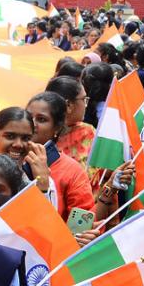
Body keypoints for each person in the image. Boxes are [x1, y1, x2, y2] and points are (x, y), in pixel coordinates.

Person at [27, 91, 94, 223]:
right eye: (28, 117)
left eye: (41, 119)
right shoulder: (8, 156)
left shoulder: (72, 172)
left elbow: (82, 224)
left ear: (57, 128)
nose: (32, 124)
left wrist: (41, 181)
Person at [0, 107, 54, 202]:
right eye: (10, 136)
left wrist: (42, 185)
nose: (18, 144)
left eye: (26, 138)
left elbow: (48, 216)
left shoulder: (39, 179)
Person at [47, 75, 95, 171]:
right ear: (68, 105)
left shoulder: (87, 131)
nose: (85, 105)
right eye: (83, 99)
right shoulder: (42, 136)